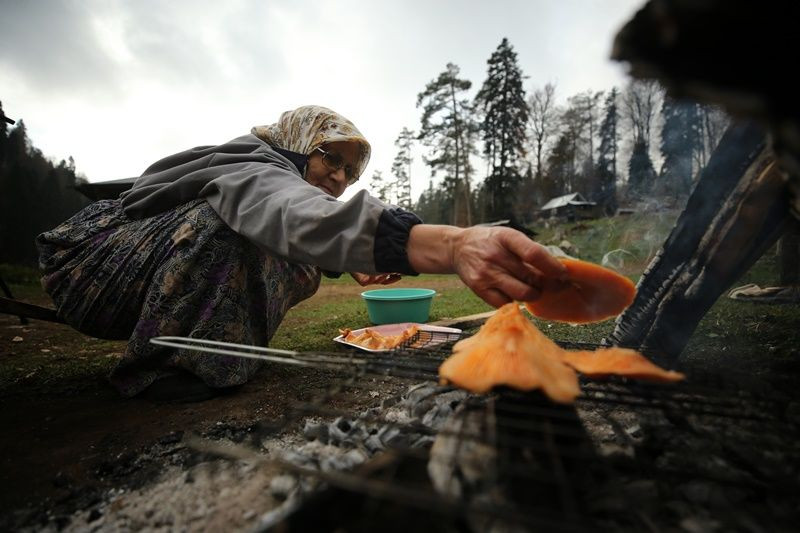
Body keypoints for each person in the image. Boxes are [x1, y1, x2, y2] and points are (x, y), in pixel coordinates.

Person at [37, 105, 566, 401]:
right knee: (228, 223)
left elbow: (296, 222)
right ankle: (165, 367)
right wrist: (452, 243)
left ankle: (205, 359)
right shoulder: (253, 165)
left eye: (348, 173)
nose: (337, 178)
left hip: (129, 268)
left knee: (294, 250)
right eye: (328, 159)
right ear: (297, 144)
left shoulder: (276, 180)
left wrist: (348, 257)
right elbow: (283, 207)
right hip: (91, 265)